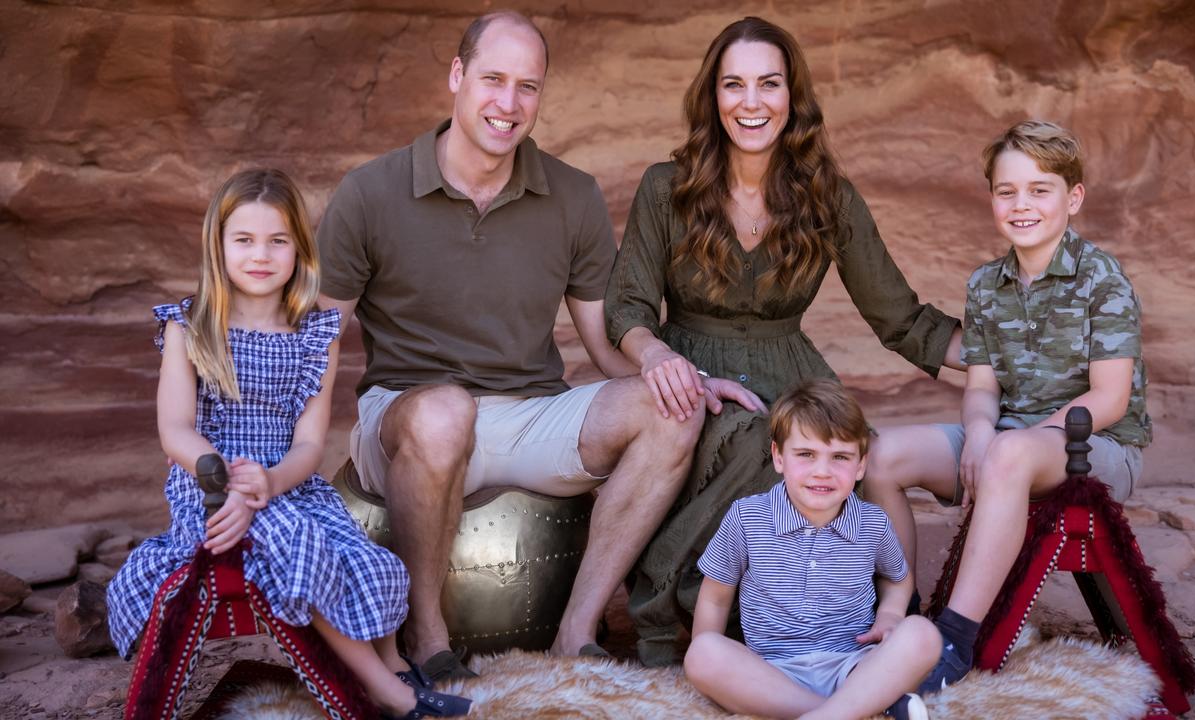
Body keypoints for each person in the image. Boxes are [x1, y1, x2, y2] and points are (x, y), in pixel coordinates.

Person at [316, 11, 755, 678]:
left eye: (528, 86)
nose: (509, 103)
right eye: (493, 79)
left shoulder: (570, 196)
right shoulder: (370, 193)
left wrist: (675, 374)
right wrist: (289, 459)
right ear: (457, 77)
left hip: (526, 415)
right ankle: (428, 643)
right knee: (445, 413)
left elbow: (607, 346)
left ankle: (575, 633)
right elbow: (315, 345)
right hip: (405, 421)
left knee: (673, 410)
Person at [605, 16, 962, 666]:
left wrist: (1007, 359)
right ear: (712, 98)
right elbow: (626, 305)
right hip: (692, 377)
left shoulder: (828, 198)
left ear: (792, 97)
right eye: (733, 85)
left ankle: (868, 632)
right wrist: (656, 357)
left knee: (834, 454)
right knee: (759, 439)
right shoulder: (666, 188)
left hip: (793, 371)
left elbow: (901, 318)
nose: (751, 102)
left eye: (769, 84)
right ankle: (660, 609)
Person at [105, 169, 470, 718]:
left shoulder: (315, 333)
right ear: (218, 245)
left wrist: (272, 481)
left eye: (278, 241)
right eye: (244, 240)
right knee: (291, 538)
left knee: (366, 558)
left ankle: (394, 664)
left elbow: (308, 443)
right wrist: (223, 476)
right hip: (208, 489)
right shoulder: (190, 327)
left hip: (290, 485)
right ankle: (391, 694)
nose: (261, 254)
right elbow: (175, 429)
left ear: (300, 249)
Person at [862, 120, 1151, 691]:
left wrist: (1006, 447)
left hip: (1093, 448)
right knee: (881, 457)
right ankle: (901, 610)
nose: (1022, 205)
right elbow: (983, 387)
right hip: (1009, 441)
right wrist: (978, 434)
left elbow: (1110, 400)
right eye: (1006, 191)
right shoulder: (985, 286)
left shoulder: (1102, 280)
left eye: (1040, 190)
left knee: (1010, 454)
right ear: (992, 197)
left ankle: (955, 640)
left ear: (1073, 198)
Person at [684, 379, 939, 720]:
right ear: (779, 457)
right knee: (701, 653)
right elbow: (715, 596)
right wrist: (714, 666)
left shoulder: (873, 523)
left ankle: (832, 711)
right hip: (771, 673)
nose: (822, 471)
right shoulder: (748, 518)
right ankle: (847, 712)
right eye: (806, 454)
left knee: (922, 635)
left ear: (860, 465)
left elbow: (897, 579)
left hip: (855, 667)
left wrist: (890, 616)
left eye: (840, 457)